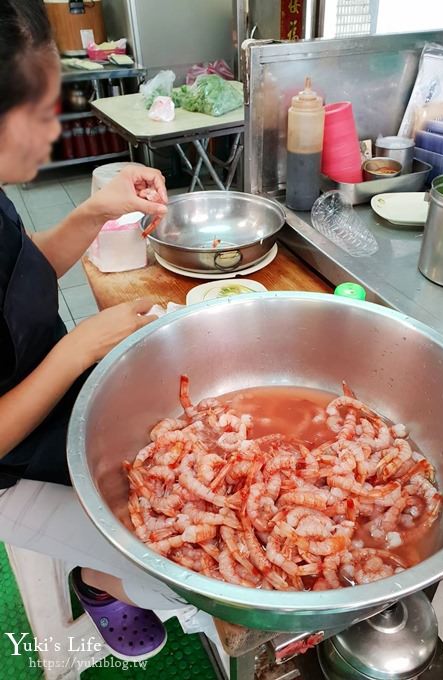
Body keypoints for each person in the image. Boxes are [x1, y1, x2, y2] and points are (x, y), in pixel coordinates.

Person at [0, 0, 215, 662]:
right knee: (186, 564)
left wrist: (94, 212)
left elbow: (20, 273)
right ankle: (102, 581)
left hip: (51, 397)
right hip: (11, 466)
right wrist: (75, 351)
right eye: (41, 116)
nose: (53, 132)